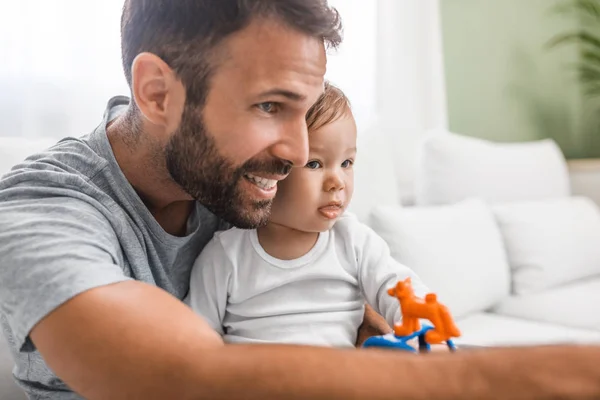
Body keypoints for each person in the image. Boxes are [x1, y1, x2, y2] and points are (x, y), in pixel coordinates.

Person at [0, 1, 598, 399]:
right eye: (269, 106)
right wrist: (547, 375)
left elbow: (345, 301)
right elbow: (182, 375)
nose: (296, 151)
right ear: (157, 93)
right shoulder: (41, 210)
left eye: (304, 111)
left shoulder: (241, 183)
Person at [186, 82, 434, 347]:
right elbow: (197, 337)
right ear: (270, 170)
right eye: (315, 164)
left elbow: (398, 286)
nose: (337, 181)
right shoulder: (225, 254)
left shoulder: (354, 241)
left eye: (347, 163)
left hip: (339, 382)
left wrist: (422, 326)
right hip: (255, 384)